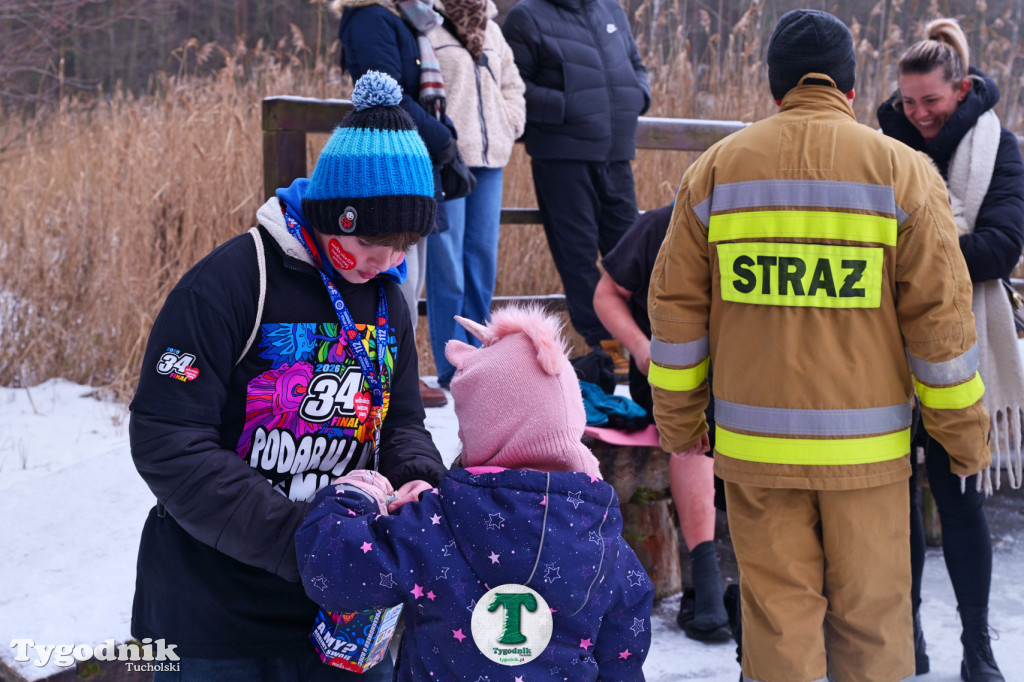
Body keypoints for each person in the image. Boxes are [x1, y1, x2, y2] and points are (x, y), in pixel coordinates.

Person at [648, 10, 991, 682]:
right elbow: (941, 330)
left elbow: (677, 316)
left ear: (774, 90)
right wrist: (963, 439)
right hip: (869, 460)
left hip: (755, 457)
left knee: (779, 625)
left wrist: (680, 423)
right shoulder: (904, 172)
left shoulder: (717, 172)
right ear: (852, 89)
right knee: (871, 624)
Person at [128, 72, 447, 682]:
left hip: (347, 610)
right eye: (372, 246)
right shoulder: (228, 283)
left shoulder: (386, 297)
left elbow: (402, 418)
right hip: (214, 618)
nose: (389, 264)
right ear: (332, 217)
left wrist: (417, 483)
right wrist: (300, 541)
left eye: (403, 247)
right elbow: (168, 440)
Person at [296, 304, 654, 679]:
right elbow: (623, 660)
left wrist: (351, 497)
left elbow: (331, 570)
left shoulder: (435, 526)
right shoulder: (605, 544)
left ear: (487, 436)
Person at [877, 18, 1024, 681]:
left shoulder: (1001, 149)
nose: (918, 114)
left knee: (959, 495)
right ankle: (906, 632)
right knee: (893, 497)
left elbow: (1001, 247)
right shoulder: (879, 144)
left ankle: (977, 645)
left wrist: (915, 254)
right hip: (881, 344)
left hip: (966, 346)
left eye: (930, 101)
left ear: (960, 89)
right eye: (908, 103)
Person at [593, 204, 731, 643]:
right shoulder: (659, 225)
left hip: (744, 374)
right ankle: (705, 580)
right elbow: (606, 293)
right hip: (667, 373)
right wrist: (638, 345)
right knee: (696, 427)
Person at [331, 0, 475, 408]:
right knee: (398, 278)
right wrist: (442, 138)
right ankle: (394, 378)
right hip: (393, 165)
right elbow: (386, 96)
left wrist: (441, 135)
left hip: (410, 157)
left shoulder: (399, 19)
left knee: (409, 275)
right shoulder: (371, 18)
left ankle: (398, 374)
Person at [502, 0, 650, 372]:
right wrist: (569, 107)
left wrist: (637, 96)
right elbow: (513, 86)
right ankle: (609, 349)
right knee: (578, 258)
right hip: (562, 158)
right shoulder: (526, 16)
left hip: (615, 154)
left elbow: (637, 67)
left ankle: (646, 343)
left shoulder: (610, 11)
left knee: (631, 254)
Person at [424, 0, 526, 389]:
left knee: (481, 260)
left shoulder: (493, 29)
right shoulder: (427, 24)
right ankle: (452, 365)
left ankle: (480, 358)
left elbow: (513, 83)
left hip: (491, 159)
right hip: (449, 158)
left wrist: (509, 122)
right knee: (446, 265)